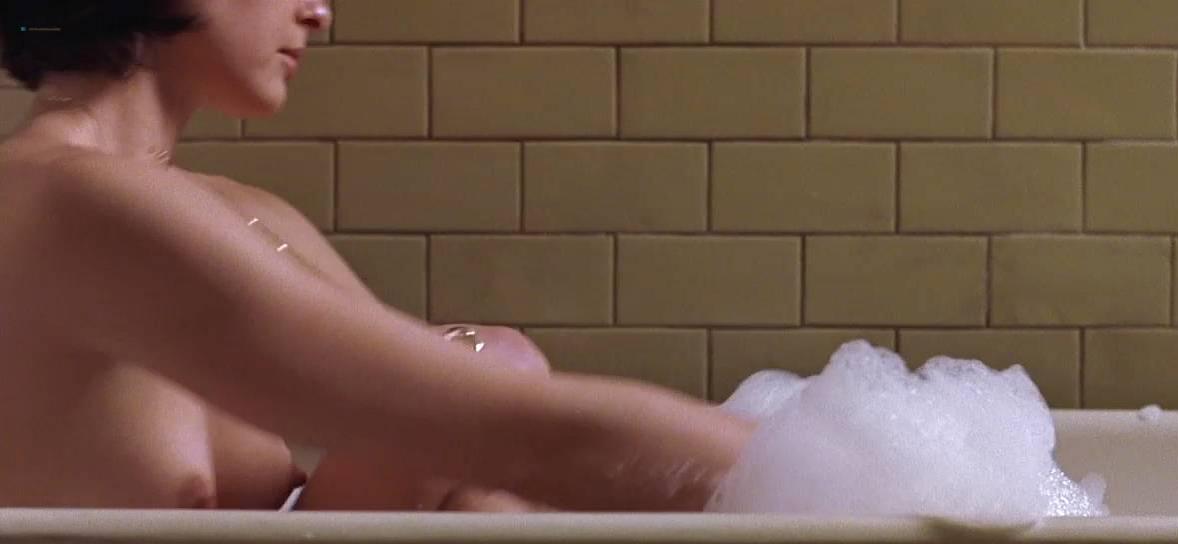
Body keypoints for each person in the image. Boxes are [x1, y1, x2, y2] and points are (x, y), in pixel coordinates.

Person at [0, 0, 754, 512]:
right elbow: (523, 434)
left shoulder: (248, 215)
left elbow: (454, 428)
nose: (319, 12)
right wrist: (803, 471)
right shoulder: (56, 200)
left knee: (487, 423)